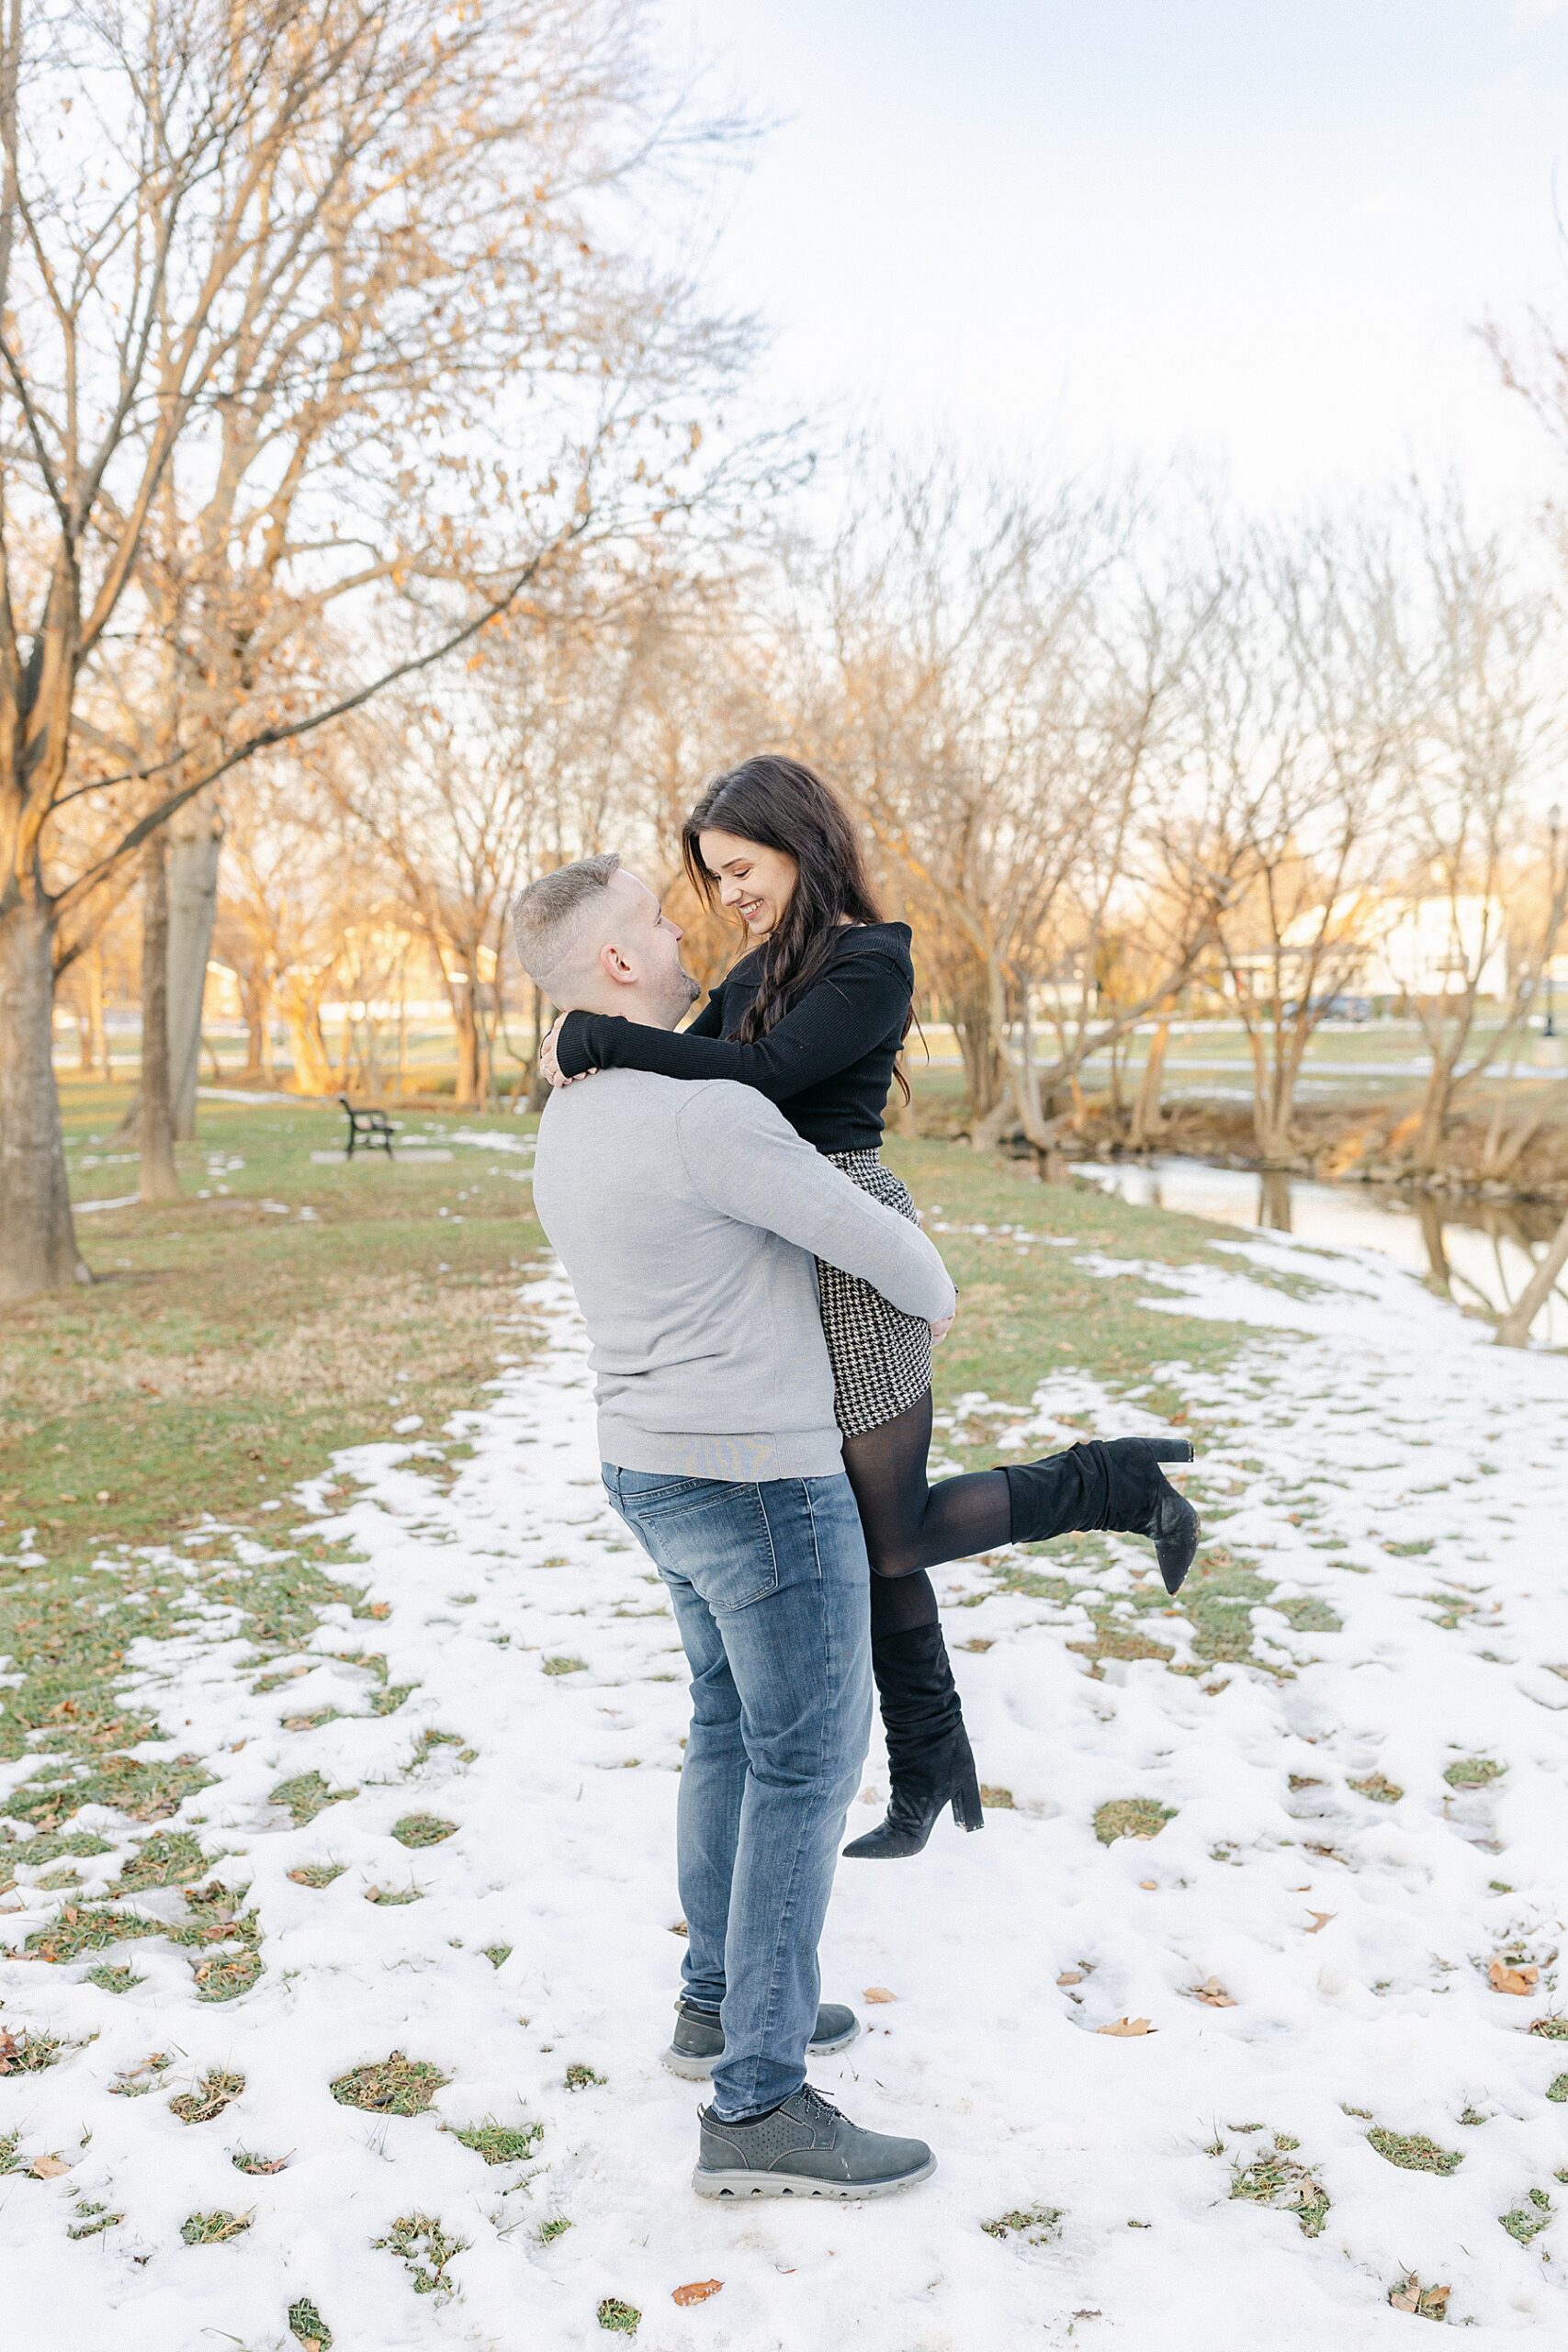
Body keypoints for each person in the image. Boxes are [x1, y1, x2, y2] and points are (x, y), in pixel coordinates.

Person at [541, 755, 1200, 1860]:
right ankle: (930, 1768)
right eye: (712, 878)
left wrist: (596, 1035)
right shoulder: (751, 972)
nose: (731, 893)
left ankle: (1117, 1482)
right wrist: (587, 1057)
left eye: (741, 868)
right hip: (781, 1251)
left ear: (800, 842)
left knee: (893, 1532)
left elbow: (754, 1077)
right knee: (866, 1539)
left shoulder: (870, 963)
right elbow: (682, 1081)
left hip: (856, 1253)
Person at [513, 851, 955, 2199]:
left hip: (648, 1467)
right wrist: (928, 1299)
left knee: (727, 1733)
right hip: (759, 1481)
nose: (679, 926)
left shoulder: (574, 1113)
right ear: (614, 968)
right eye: (653, 918)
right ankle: (758, 2103)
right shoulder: (701, 1116)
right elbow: (889, 1253)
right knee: (802, 1768)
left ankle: (717, 2004)